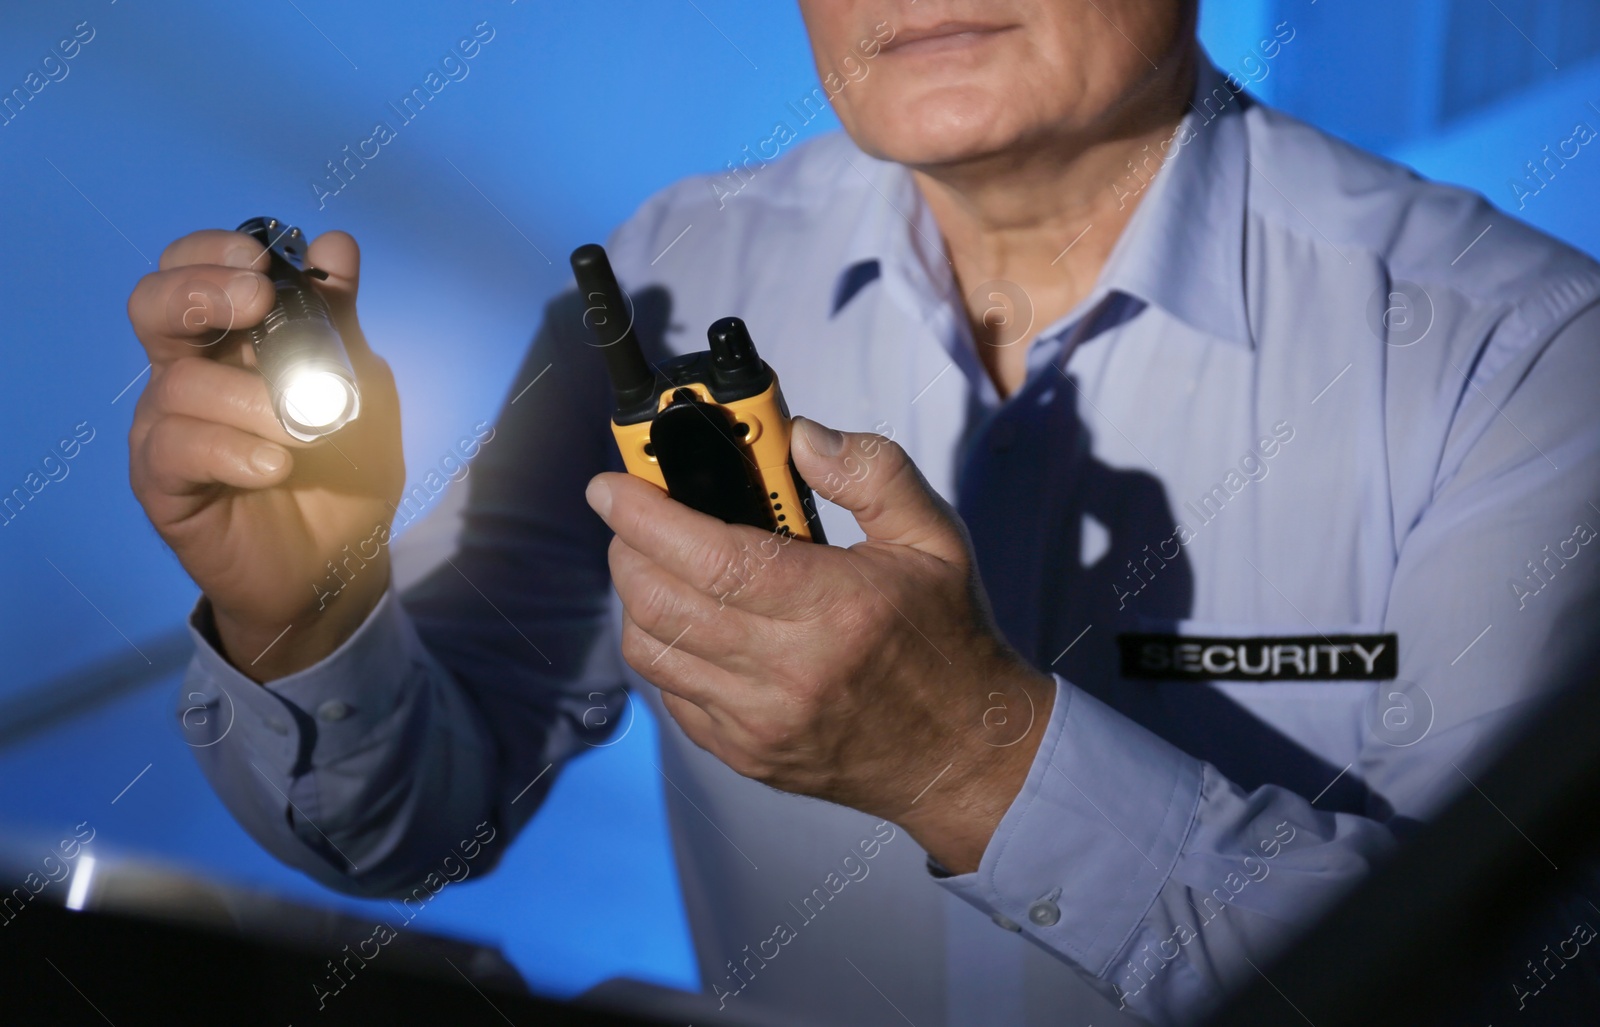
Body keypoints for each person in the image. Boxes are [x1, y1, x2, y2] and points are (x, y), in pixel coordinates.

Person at [124, 1, 1600, 1024]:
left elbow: (1518, 986)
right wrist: (306, 606)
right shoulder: (672, 271)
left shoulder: (1523, 357)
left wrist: (979, 758)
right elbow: (414, 826)